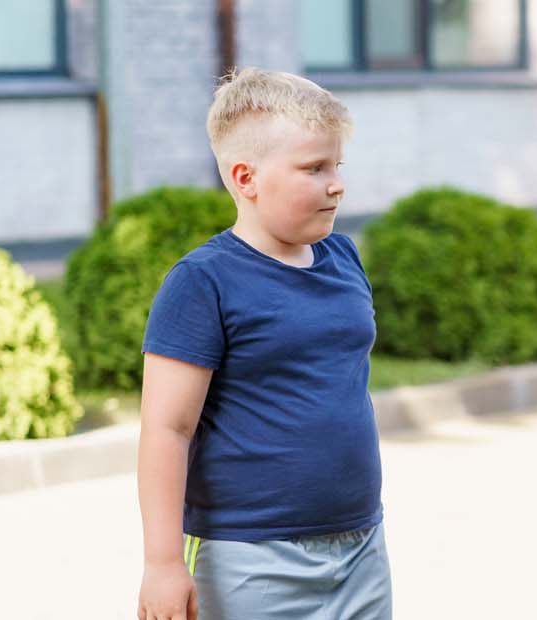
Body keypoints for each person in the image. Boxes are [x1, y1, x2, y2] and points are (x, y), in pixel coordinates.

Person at [136, 67, 390, 620]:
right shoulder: (203, 282)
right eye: (314, 168)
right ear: (246, 178)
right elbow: (166, 429)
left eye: (337, 165)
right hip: (251, 559)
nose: (337, 183)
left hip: (360, 546)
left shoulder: (343, 258)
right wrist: (162, 564)